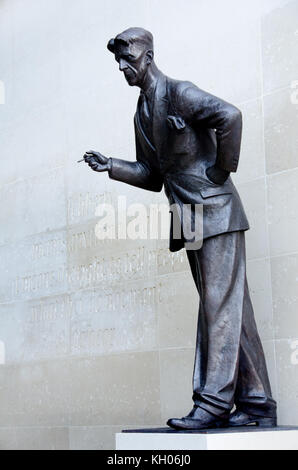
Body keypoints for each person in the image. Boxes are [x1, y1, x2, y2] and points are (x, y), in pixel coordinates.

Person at [83, 27, 277, 429]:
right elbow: (151, 175)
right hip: (187, 218)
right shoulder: (141, 113)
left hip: (215, 212)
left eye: (129, 59)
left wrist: (221, 169)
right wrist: (112, 167)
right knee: (229, 308)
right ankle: (257, 403)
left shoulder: (180, 93)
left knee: (217, 307)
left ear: (148, 57)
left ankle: (212, 403)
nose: (123, 67)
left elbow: (231, 116)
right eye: (118, 62)